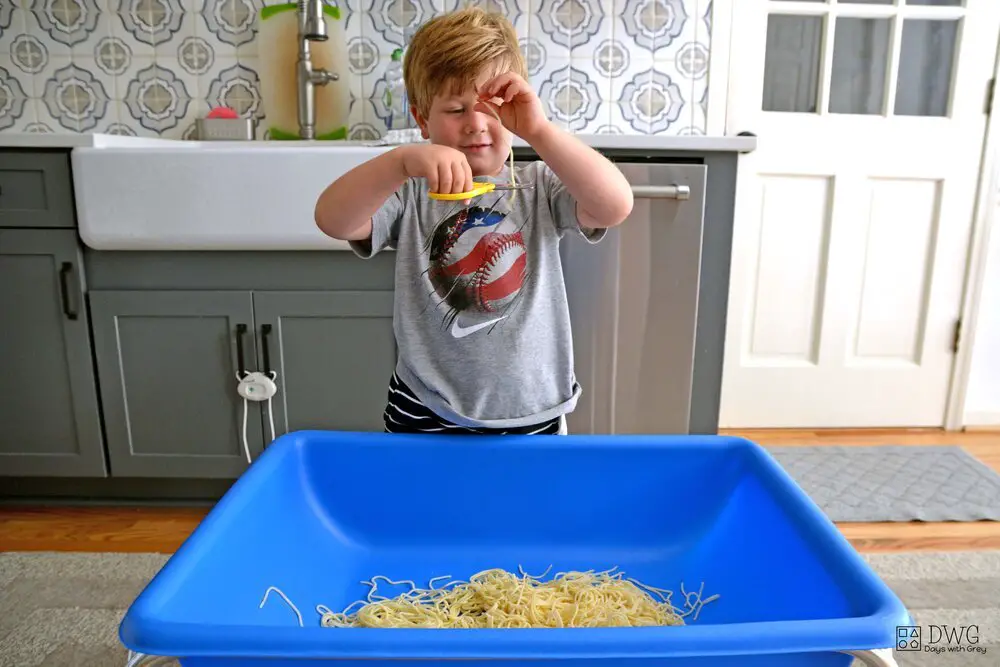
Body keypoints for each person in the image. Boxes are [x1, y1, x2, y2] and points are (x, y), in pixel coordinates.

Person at [314, 6, 633, 435]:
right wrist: (400, 161)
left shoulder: (538, 184)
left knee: (526, 505)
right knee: (424, 504)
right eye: (456, 109)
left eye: (492, 106)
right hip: (426, 404)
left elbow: (615, 205)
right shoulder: (410, 189)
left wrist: (538, 129)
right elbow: (333, 220)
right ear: (422, 118)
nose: (477, 124)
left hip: (532, 407)